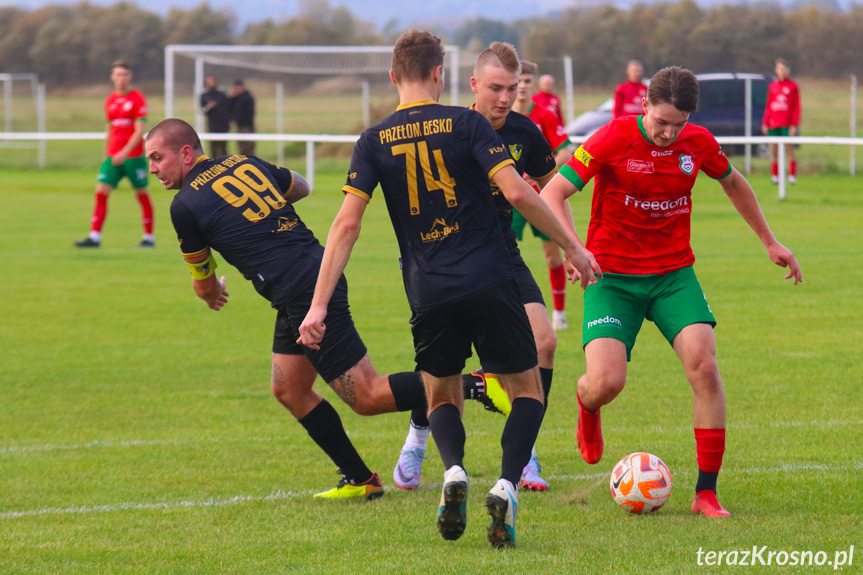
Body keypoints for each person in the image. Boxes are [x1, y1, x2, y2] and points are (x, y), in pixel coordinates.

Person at [298, 29, 596, 548]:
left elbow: (346, 226)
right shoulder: (469, 123)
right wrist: (571, 245)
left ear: (394, 76)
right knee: (527, 389)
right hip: (490, 276)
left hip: (427, 289)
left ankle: (454, 472)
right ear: (441, 74)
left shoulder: (372, 141)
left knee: (441, 394)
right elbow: (516, 191)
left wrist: (318, 304)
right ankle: (507, 483)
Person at [146, 117, 456, 502]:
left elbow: (204, 283)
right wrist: (264, 211)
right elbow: (302, 186)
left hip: (303, 290)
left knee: (367, 396)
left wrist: (211, 296)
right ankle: (361, 480)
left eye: (157, 157)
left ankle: (477, 383)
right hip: (304, 278)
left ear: (186, 153)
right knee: (289, 389)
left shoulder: (185, 205)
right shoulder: (245, 162)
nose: (153, 169)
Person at [541, 66, 802, 519]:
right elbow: (553, 193)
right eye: (661, 122)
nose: (668, 133)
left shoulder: (697, 143)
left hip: (673, 273)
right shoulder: (610, 139)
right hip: (612, 276)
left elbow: (733, 182)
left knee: (705, 365)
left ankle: (706, 492)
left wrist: (769, 240)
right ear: (645, 105)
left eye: (677, 124)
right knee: (606, 383)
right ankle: (587, 405)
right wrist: (574, 249)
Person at [390, 47, 576, 496]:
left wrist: (570, 245)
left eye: (513, 89)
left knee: (544, 342)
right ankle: (418, 436)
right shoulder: (451, 127)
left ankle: (524, 451)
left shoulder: (524, 132)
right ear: (473, 86)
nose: (505, 98)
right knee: (443, 370)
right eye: (496, 88)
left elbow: (554, 190)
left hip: (502, 254)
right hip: (446, 258)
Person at [514, 60, 574, 332]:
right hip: (508, 200)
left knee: (552, 257)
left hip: (541, 196)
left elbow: (565, 149)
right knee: (501, 255)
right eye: (519, 80)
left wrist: (540, 170)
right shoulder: (497, 116)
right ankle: (511, 312)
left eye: (528, 81)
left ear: (533, 84)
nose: (523, 86)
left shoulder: (545, 116)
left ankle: (559, 313)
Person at [75, 60, 154, 248]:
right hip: (113, 157)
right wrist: (106, 154)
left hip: (133, 158)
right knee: (100, 193)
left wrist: (125, 153)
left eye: (124, 75)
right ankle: (94, 237)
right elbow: (109, 129)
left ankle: (148, 238)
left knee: (141, 195)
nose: (121, 78)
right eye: (118, 75)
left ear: (130, 76)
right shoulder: (110, 100)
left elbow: (139, 131)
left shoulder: (137, 99)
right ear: (112, 77)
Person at [761, 59, 801, 184]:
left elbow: (797, 107)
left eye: (784, 69)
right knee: (773, 151)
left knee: (790, 150)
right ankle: (775, 176)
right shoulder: (772, 86)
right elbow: (769, 105)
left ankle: (792, 176)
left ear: (788, 70)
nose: (781, 71)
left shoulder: (793, 86)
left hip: (786, 124)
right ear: (776, 70)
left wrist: (794, 124)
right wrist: (765, 122)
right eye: (779, 69)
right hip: (773, 124)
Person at [200, 75, 230, 158]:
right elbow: (202, 110)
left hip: (223, 124)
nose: (211, 83)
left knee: (223, 147)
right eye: (209, 82)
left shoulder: (222, 94)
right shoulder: (204, 95)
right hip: (212, 125)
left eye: (212, 81)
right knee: (213, 147)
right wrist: (209, 106)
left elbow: (228, 106)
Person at [229, 80, 256, 156]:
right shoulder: (235, 98)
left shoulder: (247, 97)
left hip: (247, 126)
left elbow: (242, 109)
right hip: (239, 126)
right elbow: (230, 108)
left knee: (248, 147)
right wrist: (232, 97)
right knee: (241, 147)